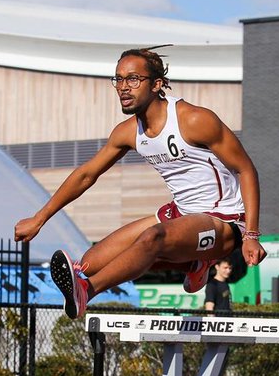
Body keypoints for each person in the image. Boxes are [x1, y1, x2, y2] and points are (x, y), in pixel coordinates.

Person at [14, 48, 265, 319]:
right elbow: (86, 174)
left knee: (152, 237)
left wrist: (251, 235)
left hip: (225, 221)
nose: (123, 87)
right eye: (119, 79)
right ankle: (193, 264)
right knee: (91, 262)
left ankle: (87, 291)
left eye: (133, 79)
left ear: (156, 84)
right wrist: (39, 219)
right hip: (182, 214)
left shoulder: (194, 120)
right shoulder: (128, 133)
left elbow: (246, 169)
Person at [203, 257, 234, 376]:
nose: (228, 271)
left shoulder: (225, 284)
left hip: (228, 330)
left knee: (221, 367)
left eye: (229, 268)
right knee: (214, 366)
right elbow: (209, 306)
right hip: (218, 330)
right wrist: (213, 327)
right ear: (217, 267)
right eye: (225, 268)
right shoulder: (212, 285)